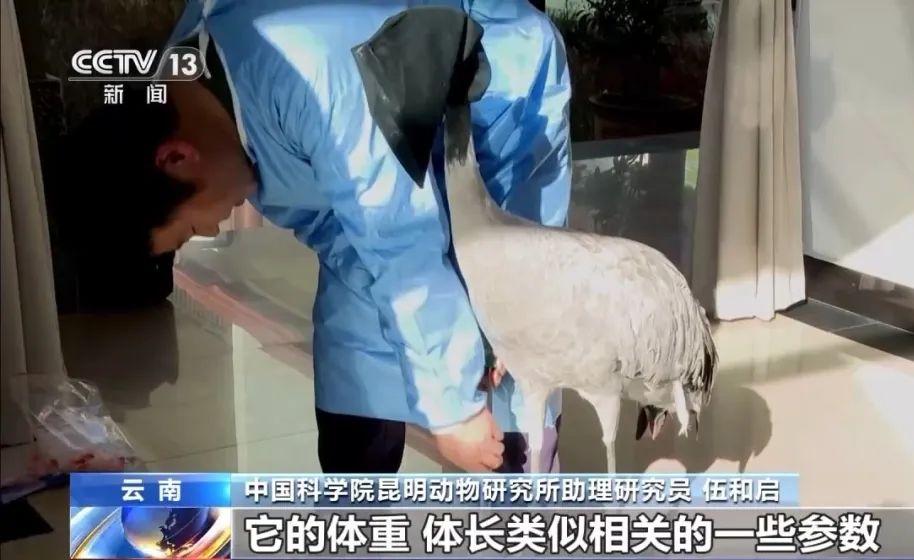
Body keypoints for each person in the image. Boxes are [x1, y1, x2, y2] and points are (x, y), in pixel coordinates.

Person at [67, 0, 570, 473]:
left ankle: (522, 502)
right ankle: (356, 516)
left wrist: (454, 406)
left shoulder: (310, 77)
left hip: (497, 97)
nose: (213, 229)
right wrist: (447, 366)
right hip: (393, 121)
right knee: (354, 351)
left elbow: (401, 242)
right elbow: (338, 229)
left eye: (187, 231)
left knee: (508, 327)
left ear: (177, 158)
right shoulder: (190, 94)